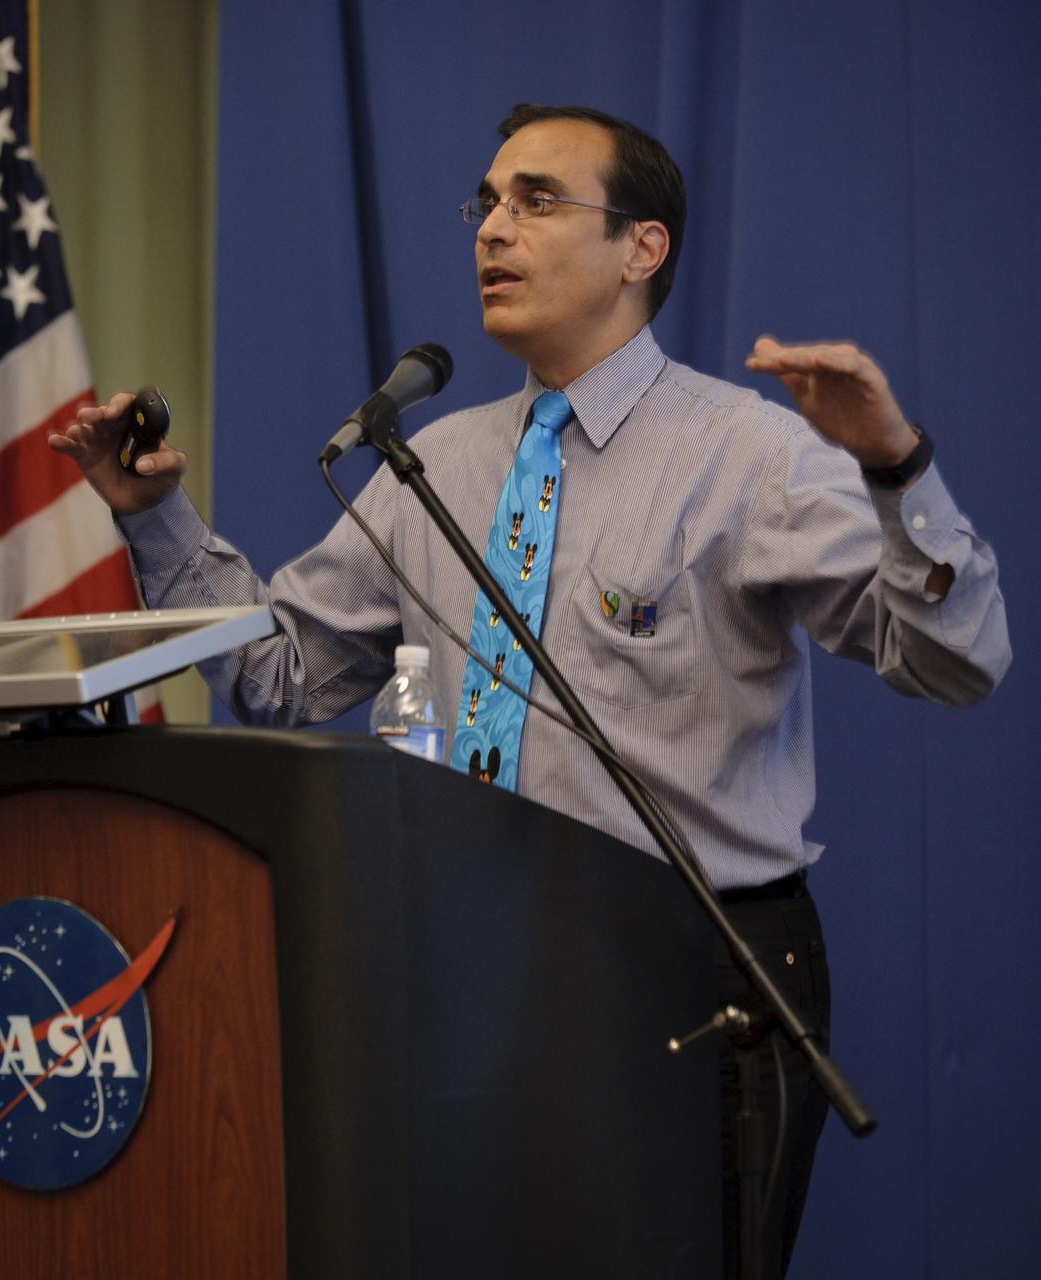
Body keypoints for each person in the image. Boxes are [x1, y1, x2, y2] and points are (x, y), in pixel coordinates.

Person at [50, 104, 1010, 1277]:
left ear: (641, 248)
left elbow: (955, 659)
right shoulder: (436, 462)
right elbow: (277, 675)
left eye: (537, 201)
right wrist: (156, 517)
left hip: (692, 971)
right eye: (489, 201)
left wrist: (897, 468)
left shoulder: (748, 455)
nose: (492, 229)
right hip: (465, 967)